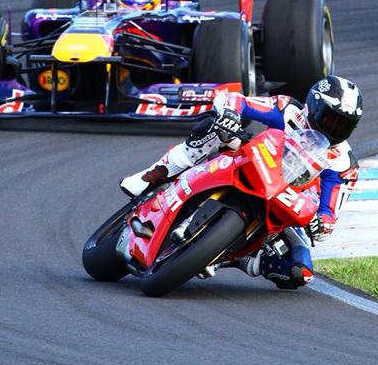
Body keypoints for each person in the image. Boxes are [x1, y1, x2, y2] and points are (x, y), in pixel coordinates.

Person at [120, 75, 363, 289]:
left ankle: (243, 260)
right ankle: (153, 174)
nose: (334, 128)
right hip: (253, 162)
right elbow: (235, 101)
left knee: (300, 273)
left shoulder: (345, 163)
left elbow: (330, 211)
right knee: (215, 130)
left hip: (289, 201)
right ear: (314, 105)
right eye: (330, 119)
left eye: (343, 124)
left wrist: (323, 223)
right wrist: (230, 114)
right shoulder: (289, 110)